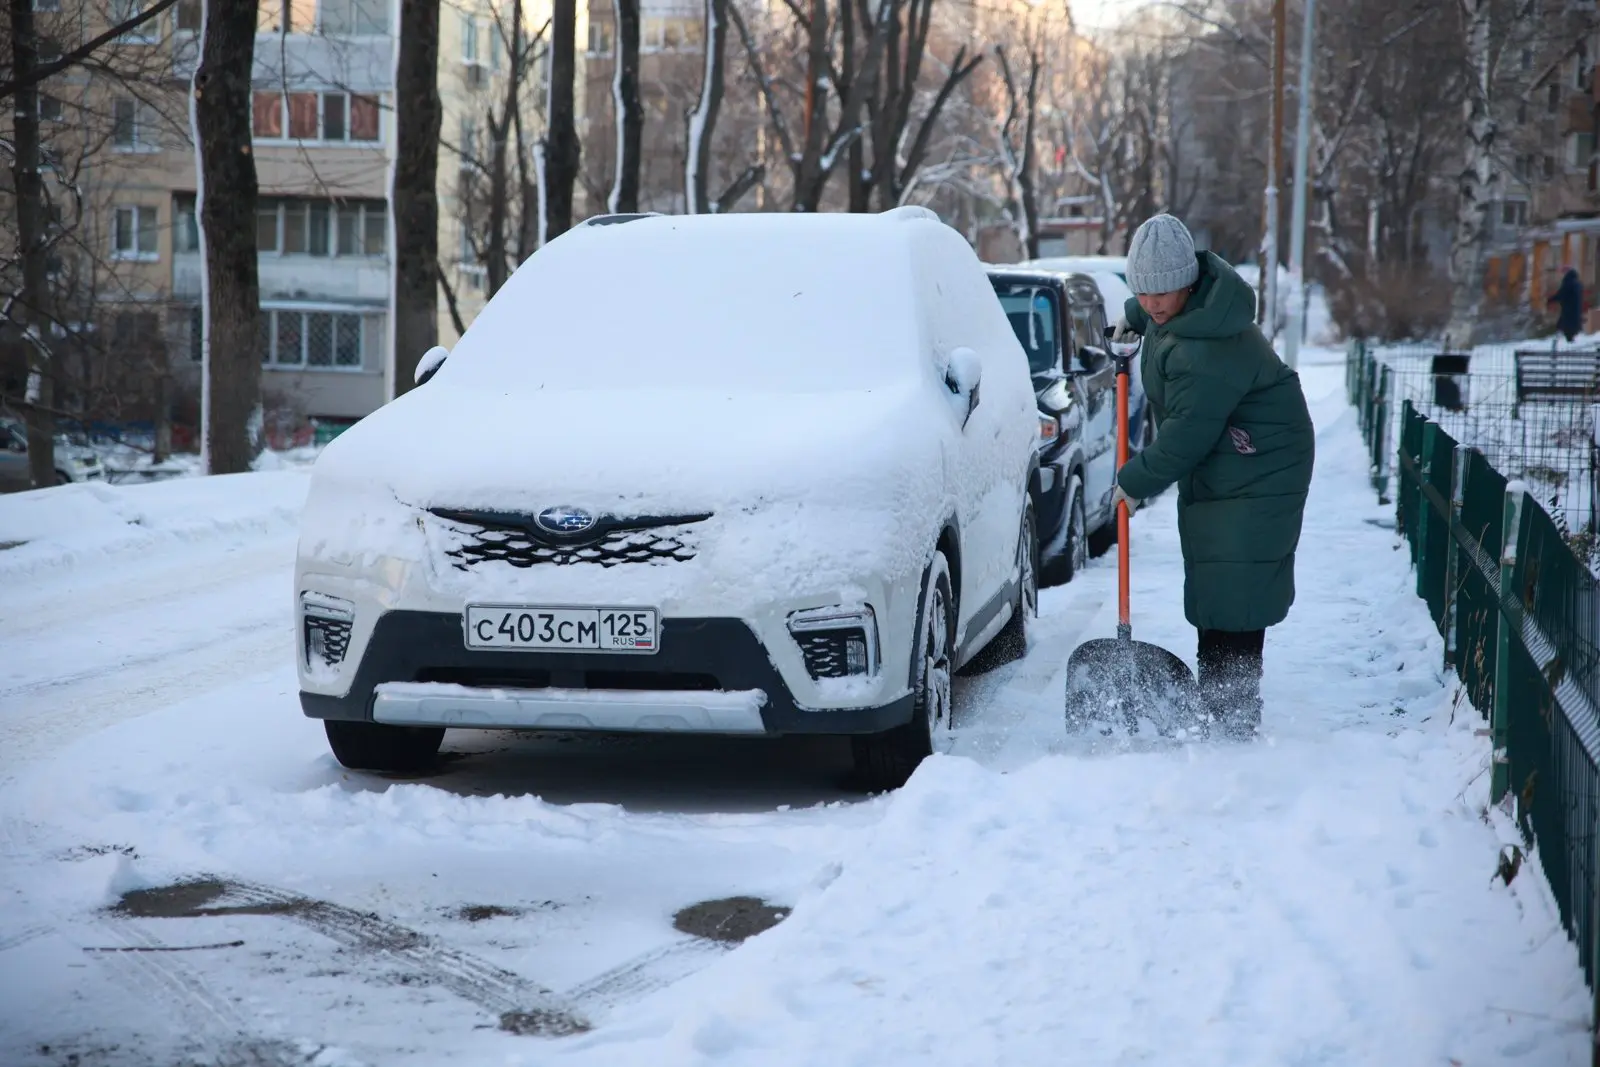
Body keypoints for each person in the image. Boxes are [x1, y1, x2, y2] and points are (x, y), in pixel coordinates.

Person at [1107, 214, 1315, 739]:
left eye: (1162, 293)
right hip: (1232, 454)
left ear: (1190, 283)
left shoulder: (1206, 350)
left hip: (1260, 462)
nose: (1153, 304)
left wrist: (1134, 480)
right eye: (1143, 292)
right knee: (1217, 577)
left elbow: (1184, 437)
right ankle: (1217, 700)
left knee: (1236, 581)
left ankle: (1233, 714)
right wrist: (1133, 317)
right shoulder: (1185, 311)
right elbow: (1153, 312)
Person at [1547, 265, 1584, 343]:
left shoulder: (1568, 282)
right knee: (1566, 328)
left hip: (1568, 311)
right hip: (1575, 312)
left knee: (1565, 329)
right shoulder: (1577, 283)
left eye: (1562, 273)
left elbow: (1561, 294)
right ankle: (1567, 342)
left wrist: (1551, 299)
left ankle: (1563, 345)